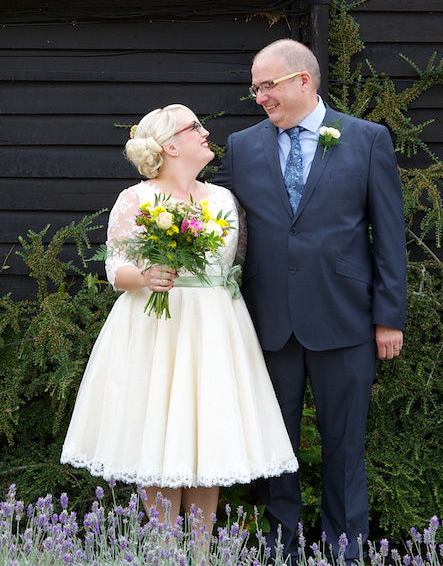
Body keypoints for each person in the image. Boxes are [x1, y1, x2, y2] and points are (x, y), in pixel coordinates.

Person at [61, 104, 298, 561]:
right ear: (171, 145)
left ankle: (203, 554)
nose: (207, 133)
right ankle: (166, 552)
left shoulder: (223, 200)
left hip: (214, 328)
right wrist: (147, 275)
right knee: (158, 435)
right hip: (157, 327)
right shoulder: (137, 198)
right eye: (196, 128)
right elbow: (115, 267)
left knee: (206, 434)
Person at [213, 39, 407, 562]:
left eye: (267, 85)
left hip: (347, 319)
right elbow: (219, 227)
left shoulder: (366, 140)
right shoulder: (243, 146)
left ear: (304, 80)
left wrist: (390, 318)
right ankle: (283, 551)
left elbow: (388, 235)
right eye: (254, 88)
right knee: (275, 451)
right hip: (267, 322)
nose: (258, 97)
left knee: (345, 449)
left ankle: (346, 554)